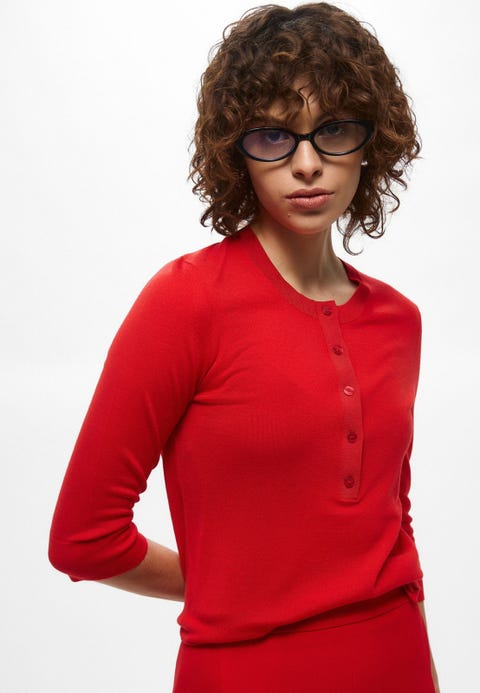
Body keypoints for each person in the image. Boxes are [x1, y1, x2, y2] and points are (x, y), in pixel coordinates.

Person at [48, 3, 440, 691]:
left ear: (369, 142)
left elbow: (394, 527)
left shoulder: (398, 321)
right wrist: (222, 582)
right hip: (241, 669)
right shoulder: (186, 303)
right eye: (274, 136)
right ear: (237, 149)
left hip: (396, 658)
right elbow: (84, 537)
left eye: (333, 129)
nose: (307, 164)